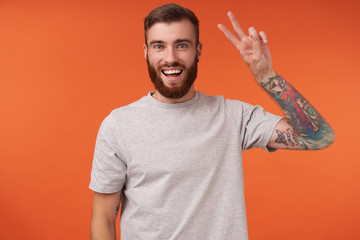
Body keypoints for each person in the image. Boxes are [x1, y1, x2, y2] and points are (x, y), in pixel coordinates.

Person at [89, 3, 335, 240]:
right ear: (146, 53)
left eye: (182, 45)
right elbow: (103, 219)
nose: (170, 57)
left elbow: (317, 137)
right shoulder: (118, 125)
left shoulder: (233, 116)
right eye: (159, 46)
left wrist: (265, 75)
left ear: (198, 51)